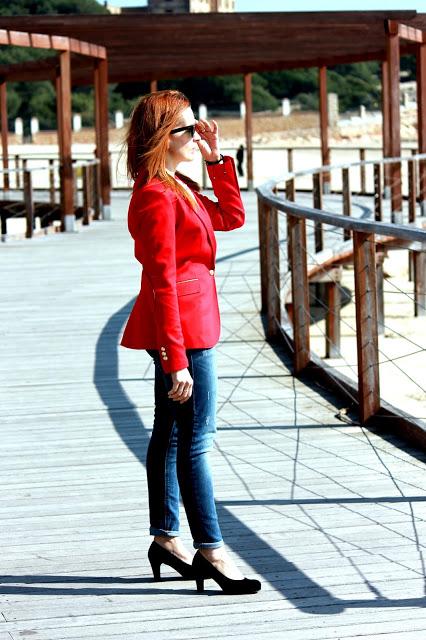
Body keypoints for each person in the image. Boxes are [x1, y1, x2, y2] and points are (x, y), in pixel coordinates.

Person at [120, 90, 261, 595]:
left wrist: (217, 160)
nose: (197, 133)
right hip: (184, 332)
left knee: (171, 435)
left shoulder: (173, 185)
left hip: (191, 324)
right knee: (196, 441)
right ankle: (211, 550)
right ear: (164, 137)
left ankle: (165, 539)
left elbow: (231, 217)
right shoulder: (157, 196)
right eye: (188, 128)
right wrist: (176, 359)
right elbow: (159, 279)